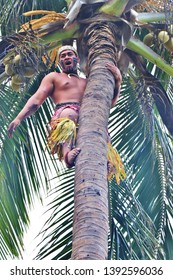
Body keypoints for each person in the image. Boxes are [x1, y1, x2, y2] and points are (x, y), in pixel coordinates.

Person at [7, 45, 125, 181]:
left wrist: (118, 81)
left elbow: (107, 103)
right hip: (65, 113)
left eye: (69, 54)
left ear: (77, 58)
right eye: (62, 56)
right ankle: (67, 154)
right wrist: (18, 118)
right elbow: (36, 99)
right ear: (59, 62)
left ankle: (106, 161)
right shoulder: (54, 77)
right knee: (70, 115)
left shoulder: (88, 81)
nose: (66, 57)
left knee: (103, 133)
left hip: (88, 116)